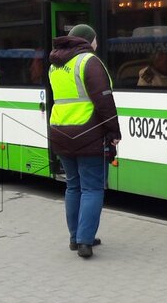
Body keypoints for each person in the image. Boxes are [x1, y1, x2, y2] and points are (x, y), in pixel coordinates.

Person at [47, 23, 122, 259]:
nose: (97, 44)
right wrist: (114, 132)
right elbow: (104, 101)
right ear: (88, 40)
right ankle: (85, 241)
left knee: (73, 185)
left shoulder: (55, 66)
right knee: (92, 187)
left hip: (60, 132)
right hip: (88, 133)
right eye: (96, 39)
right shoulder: (89, 62)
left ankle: (75, 237)